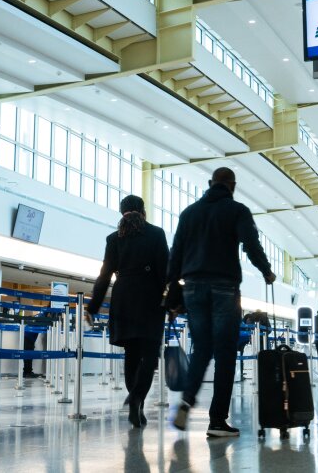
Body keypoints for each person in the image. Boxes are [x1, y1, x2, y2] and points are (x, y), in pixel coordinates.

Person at [165, 167, 275, 437]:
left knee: (201, 349)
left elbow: (175, 253)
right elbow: (251, 245)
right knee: (226, 353)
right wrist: (266, 271)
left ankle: (187, 400)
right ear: (232, 186)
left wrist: (173, 293)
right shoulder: (237, 210)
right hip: (224, 287)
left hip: (192, 288)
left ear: (209, 183)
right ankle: (217, 421)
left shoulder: (189, 213)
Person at [87, 195, 169, 429]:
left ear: (121, 212)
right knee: (150, 355)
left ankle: (136, 402)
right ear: (143, 211)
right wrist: (174, 300)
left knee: (131, 354)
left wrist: (93, 307)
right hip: (149, 298)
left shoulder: (114, 238)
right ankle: (136, 399)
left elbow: (104, 275)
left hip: (122, 297)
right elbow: (165, 271)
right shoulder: (156, 233)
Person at [21, 305, 55, 379]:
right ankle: (27, 372)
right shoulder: (43, 317)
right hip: (29, 336)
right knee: (28, 355)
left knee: (28, 354)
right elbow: (48, 325)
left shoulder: (39, 315)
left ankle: (28, 372)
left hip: (28, 334)